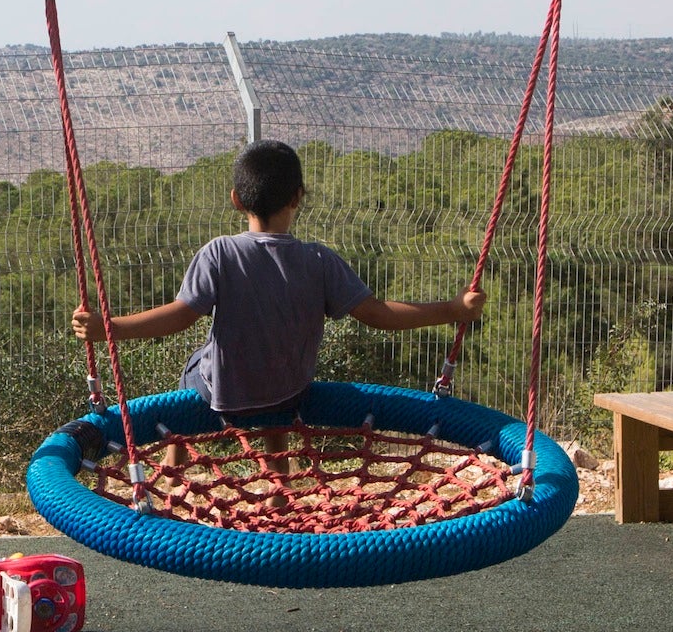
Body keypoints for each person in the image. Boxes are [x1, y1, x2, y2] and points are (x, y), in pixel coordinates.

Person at [71, 139, 481, 424]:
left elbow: (179, 317)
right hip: (290, 395)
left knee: (195, 364)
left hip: (225, 399)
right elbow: (376, 314)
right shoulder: (319, 260)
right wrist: (452, 309)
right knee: (272, 395)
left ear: (236, 199)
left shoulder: (219, 253)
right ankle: (277, 478)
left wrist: (109, 329)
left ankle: (177, 455)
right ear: (298, 197)